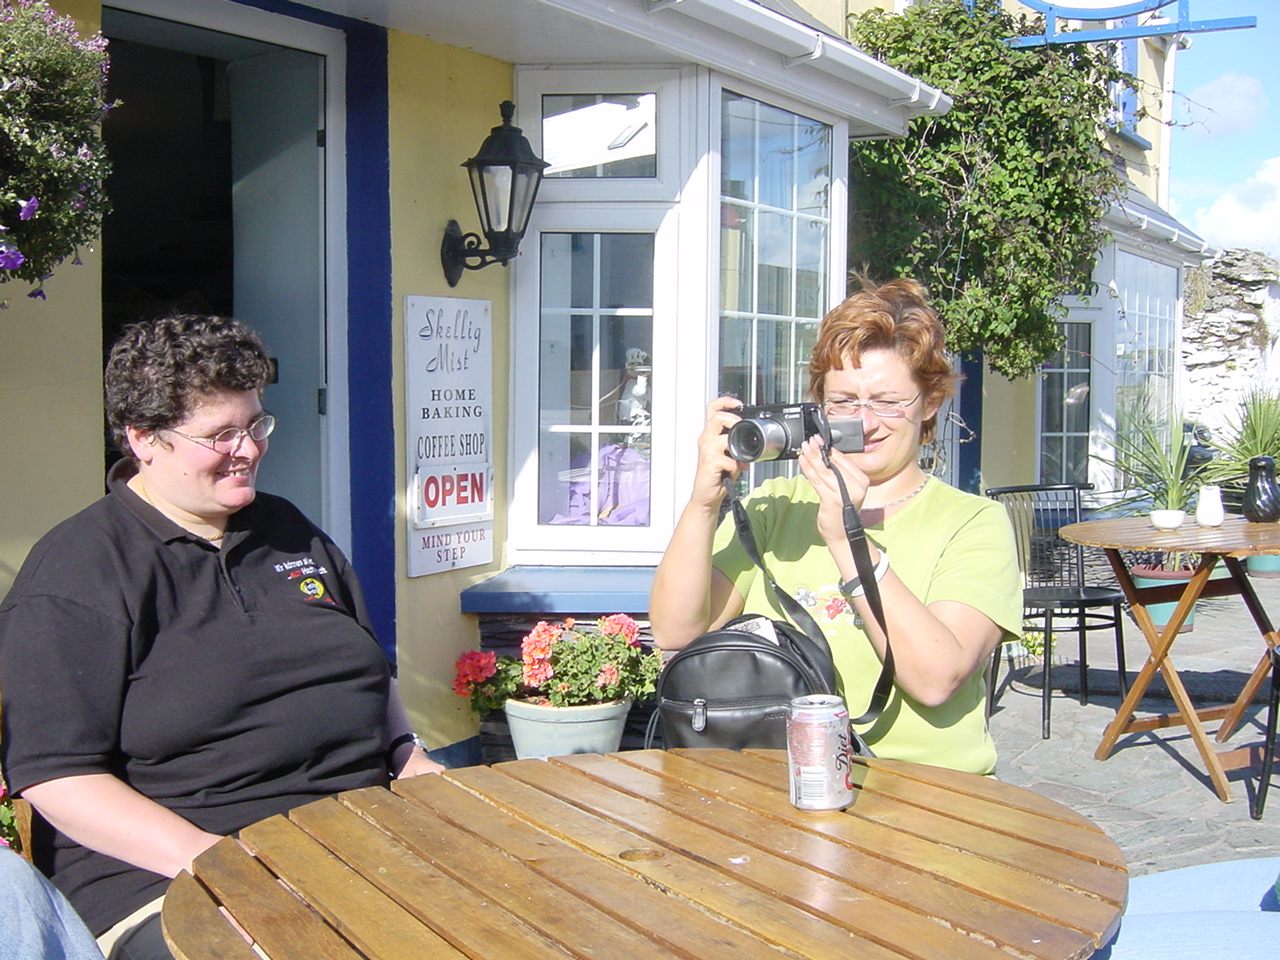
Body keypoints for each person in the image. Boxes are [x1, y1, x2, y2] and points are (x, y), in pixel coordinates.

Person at [0, 314, 443, 960]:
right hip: (174, 880)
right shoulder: (79, 572)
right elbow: (58, 778)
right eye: (220, 435)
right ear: (143, 438)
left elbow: (365, 667)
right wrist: (218, 862)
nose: (250, 449)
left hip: (355, 842)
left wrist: (407, 753)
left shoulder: (288, 529)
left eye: (256, 425)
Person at [649, 278, 1021, 774]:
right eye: (843, 402)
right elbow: (675, 632)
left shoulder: (973, 522)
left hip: (927, 791)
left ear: (930, 402)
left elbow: (936, 681)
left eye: (888, 401)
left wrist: (847, 537)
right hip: (783, 783)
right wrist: (703, 502)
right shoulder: (776, 507)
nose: (864, 423)